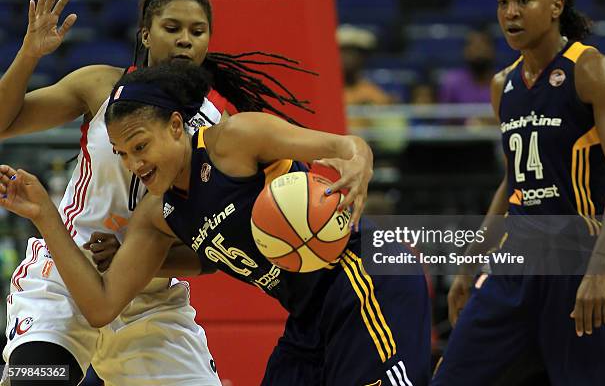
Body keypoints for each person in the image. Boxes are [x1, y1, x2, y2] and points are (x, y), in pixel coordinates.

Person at [0, 60, 432, 386]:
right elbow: (101, 306)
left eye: (140, 146)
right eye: (122, 154)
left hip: (367, 274)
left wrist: (359, 165)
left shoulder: (233, 141)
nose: (134, 163)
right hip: (307, 313)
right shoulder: (158, 215)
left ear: (174, 126)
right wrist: (45, 214)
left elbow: (346, 145)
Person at [0, 0, 311, 386]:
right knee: (38, 379)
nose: (185, 40)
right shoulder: (99, 85)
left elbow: (209, 253)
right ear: (146, 33)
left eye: (197, 32)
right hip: (62, 279)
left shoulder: (220, 133)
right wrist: (28, 55)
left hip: (152, 300)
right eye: (172, 28)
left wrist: (142, 257)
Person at [432, 0, 605, 385]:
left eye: (523, 0)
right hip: (517, 261)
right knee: (451, 376)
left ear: (556, 5)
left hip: (578, 259)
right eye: (502, 3)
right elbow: (513, 182)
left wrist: (602, 270)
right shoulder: (503, 85)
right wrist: (469, 264)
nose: (510, 12)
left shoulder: (591, 70)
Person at [438, 29, 495, 105]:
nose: (479, 52)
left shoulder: (503, 82)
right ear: (465, 51)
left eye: (483, 45)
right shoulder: (452, 83)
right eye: (474, 46)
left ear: (492, 50)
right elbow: (444, 114)